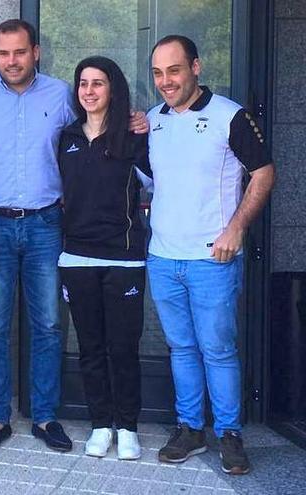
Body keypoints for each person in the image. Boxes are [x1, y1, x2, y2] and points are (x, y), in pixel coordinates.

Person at [0, 19, 147, 453]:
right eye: (4, 53)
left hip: (47, 225)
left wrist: (136, 120)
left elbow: (95, 128)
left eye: (20, 52)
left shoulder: (64, 94)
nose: (12, 61)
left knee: (47, 325)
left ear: (36, 52)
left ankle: (45, 417)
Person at [147, 35, 274, 475]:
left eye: (174, 70)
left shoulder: (229, 115)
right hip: (162, 258)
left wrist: (236, 228)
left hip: (211, 259)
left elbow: (263, 172)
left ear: (196, 68)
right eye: (159, 73)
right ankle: (189, 428)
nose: (166, 81)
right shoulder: (153, 120)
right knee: (181, 347)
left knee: (217, 349)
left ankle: (230, 434)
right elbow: (152, 182)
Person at [57, 56, 152, 460]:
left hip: (124, 258)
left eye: (98, 83)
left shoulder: (134, 136)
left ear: (113, 89)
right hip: (77, 257)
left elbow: (157, 187)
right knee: (91, 348)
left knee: (123, 347)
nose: (90, 90)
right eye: (83, 83)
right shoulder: (66, 137)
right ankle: (100, 424)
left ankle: (127, 426)